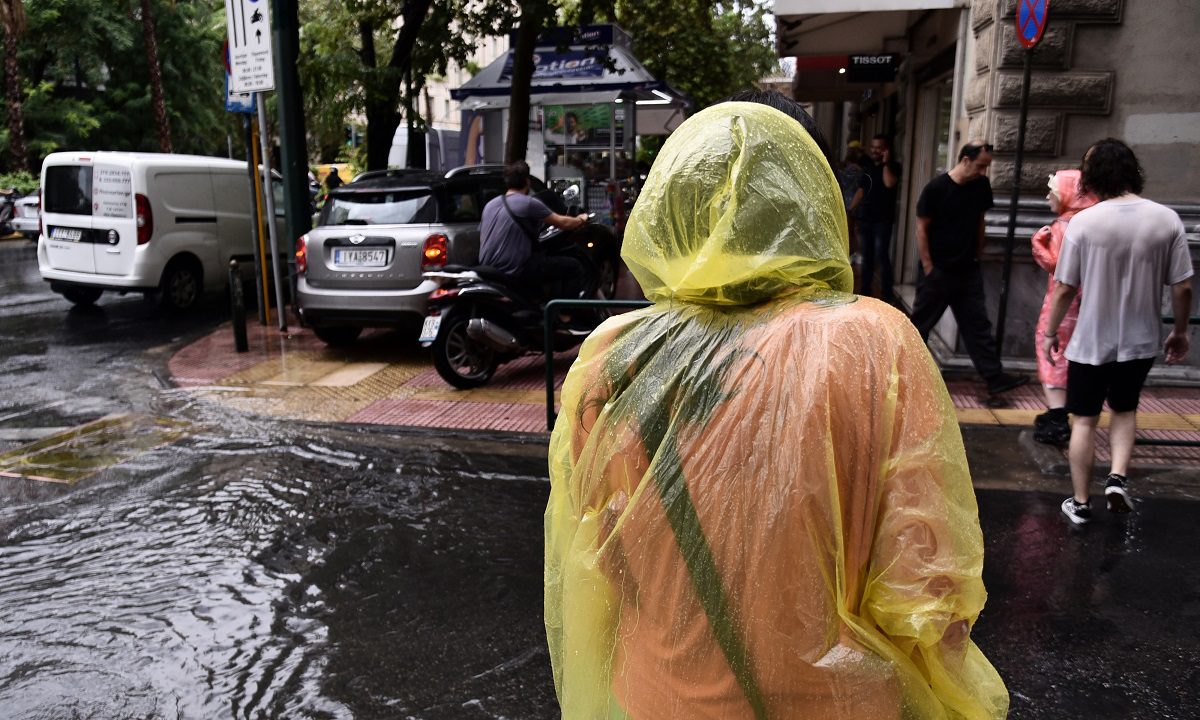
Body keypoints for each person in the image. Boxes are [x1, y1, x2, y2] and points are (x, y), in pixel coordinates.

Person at [545, 96, 1008, 719]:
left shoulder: (610, 355)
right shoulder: (873, 344)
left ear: (671, 203)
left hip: (653, 696)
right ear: (809, 197)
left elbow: (596, 548)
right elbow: (931, 593)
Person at [1043, 139, 1193, 525]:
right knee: (1125, 410)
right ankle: (1117, 478)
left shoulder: (1084, 223)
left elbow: (1064, 287)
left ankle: (1080, 502)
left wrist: (1050, 331)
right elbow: (1183, 286)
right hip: (1140, 340)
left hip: (1091, 340)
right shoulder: (1166, 219)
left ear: (1091, 177)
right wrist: (1179, 331)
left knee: (1085, 419)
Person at [911, 141, 1028, 395]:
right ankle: (906, 376)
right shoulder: (936, 188)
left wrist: (978, 252)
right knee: (920, 325)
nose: (984, 171)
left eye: (987, 166)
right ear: (965, 160)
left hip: (967, 270)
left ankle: (994, 377)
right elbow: (921, 228)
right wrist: (929, 266)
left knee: (977, 325)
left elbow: (980, 221)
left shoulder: (981, 187)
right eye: (980, 165)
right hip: (938, 271)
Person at [1030, 170, 1097, 444]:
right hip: (1091, 304)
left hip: (1062, 304)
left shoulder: (1064, 227)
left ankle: (1057, 417)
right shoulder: (1094, 223)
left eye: (1053, 192)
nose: (1048, 196)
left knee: (1052, 353)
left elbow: (1060, 271)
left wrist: (1038, 247)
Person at [478, 161, 588, 304]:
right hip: (515, 269)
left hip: (488, 269)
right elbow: (564, 223)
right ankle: (563, 317)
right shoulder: (528, 203)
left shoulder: (490, 205)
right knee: (574, 266)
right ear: (527, 181)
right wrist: (581, 219)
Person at [857, 134, 901, 302]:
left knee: (882, 256)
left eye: (879, 147)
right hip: (866, 218)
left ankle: (887, 294)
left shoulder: (893, 166)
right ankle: (865, 293)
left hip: (883, 220)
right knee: (866, 256)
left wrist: (885, 163)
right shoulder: (867, 166)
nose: (875, 150)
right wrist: (850, 209)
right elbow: (861, 190)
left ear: (886, 150)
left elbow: (889, 183)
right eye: (873, 147)